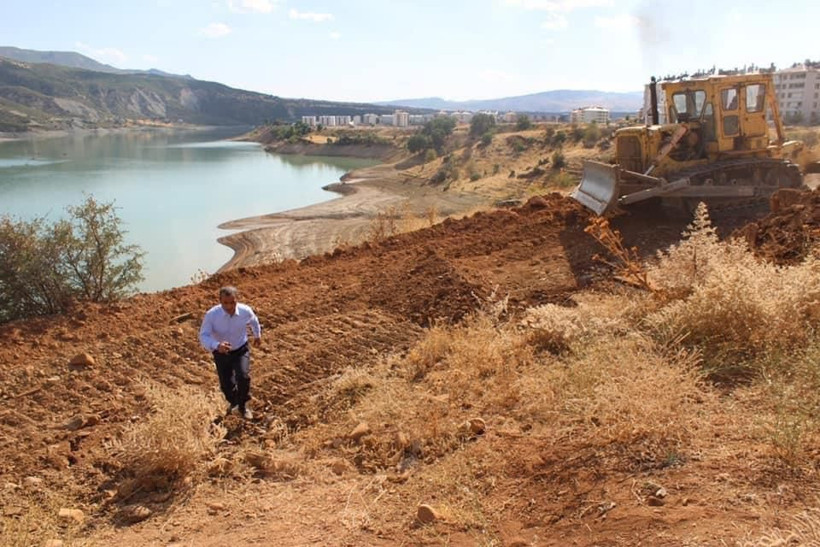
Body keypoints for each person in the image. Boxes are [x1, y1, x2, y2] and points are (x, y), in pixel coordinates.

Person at [199, 286, 261, 420]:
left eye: (232, 302)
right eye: (225, 303)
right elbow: (203, 335)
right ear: (220, 301)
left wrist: (257, 335)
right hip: (221, 353)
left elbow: (254, 321)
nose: (229, 306)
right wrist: (216, 345)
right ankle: (234, 402)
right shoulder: (212, 315)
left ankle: (243, 406)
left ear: (236, 300)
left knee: (243, 377)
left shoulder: (245, 311)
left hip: (240, 349)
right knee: (226, 385)